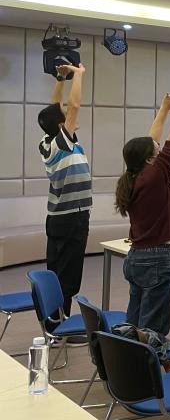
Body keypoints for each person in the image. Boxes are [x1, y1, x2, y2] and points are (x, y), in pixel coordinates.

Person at [115, 91, 170, 336]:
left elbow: (152, 141)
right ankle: (145, 361)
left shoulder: (136, 176)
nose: (159, 148)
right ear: (150, 158)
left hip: (139, 257)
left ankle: (128, 358)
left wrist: (165, 108)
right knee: (152, 330)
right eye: (155, 150)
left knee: (135, 324)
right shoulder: (153, 177)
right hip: (158, 259)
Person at [37, 63, 92, 317]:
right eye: (66, 116)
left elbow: (54, 109)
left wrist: (60, 79)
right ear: (62, 126)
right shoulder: (63, 143)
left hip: (58, 217)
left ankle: (53, 323)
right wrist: (78, 75)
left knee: (56, 271)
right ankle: (61, 326)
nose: (71, 114)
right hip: (73, 218)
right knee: (68, 277)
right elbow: (74, 105)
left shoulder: (47, 141)